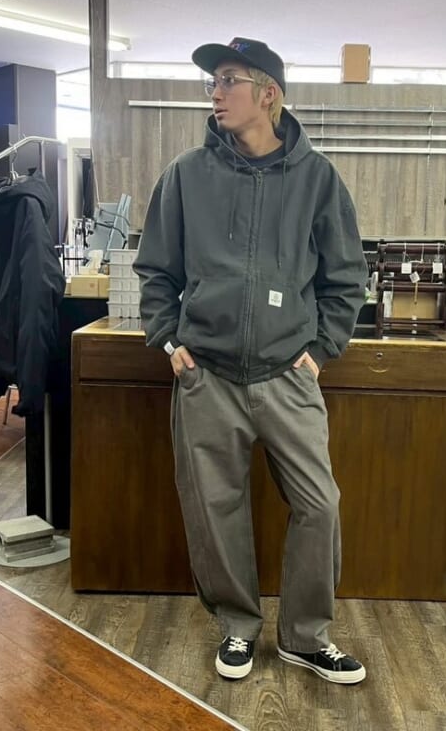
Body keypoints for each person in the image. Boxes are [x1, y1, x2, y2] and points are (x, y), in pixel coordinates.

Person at [134, 37, 368, 685]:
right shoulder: (186, 174)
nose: (215, 93)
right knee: (215, 508)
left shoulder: (318, 179)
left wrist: (320, 351)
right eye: (212, 81)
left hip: (288, 376)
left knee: (320, 504)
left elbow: (346, 277)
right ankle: (237, 626)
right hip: (207, 375)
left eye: (228, 79)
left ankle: (305, 637)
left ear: (268, 93)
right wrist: (168, 339)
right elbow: (156, 270)